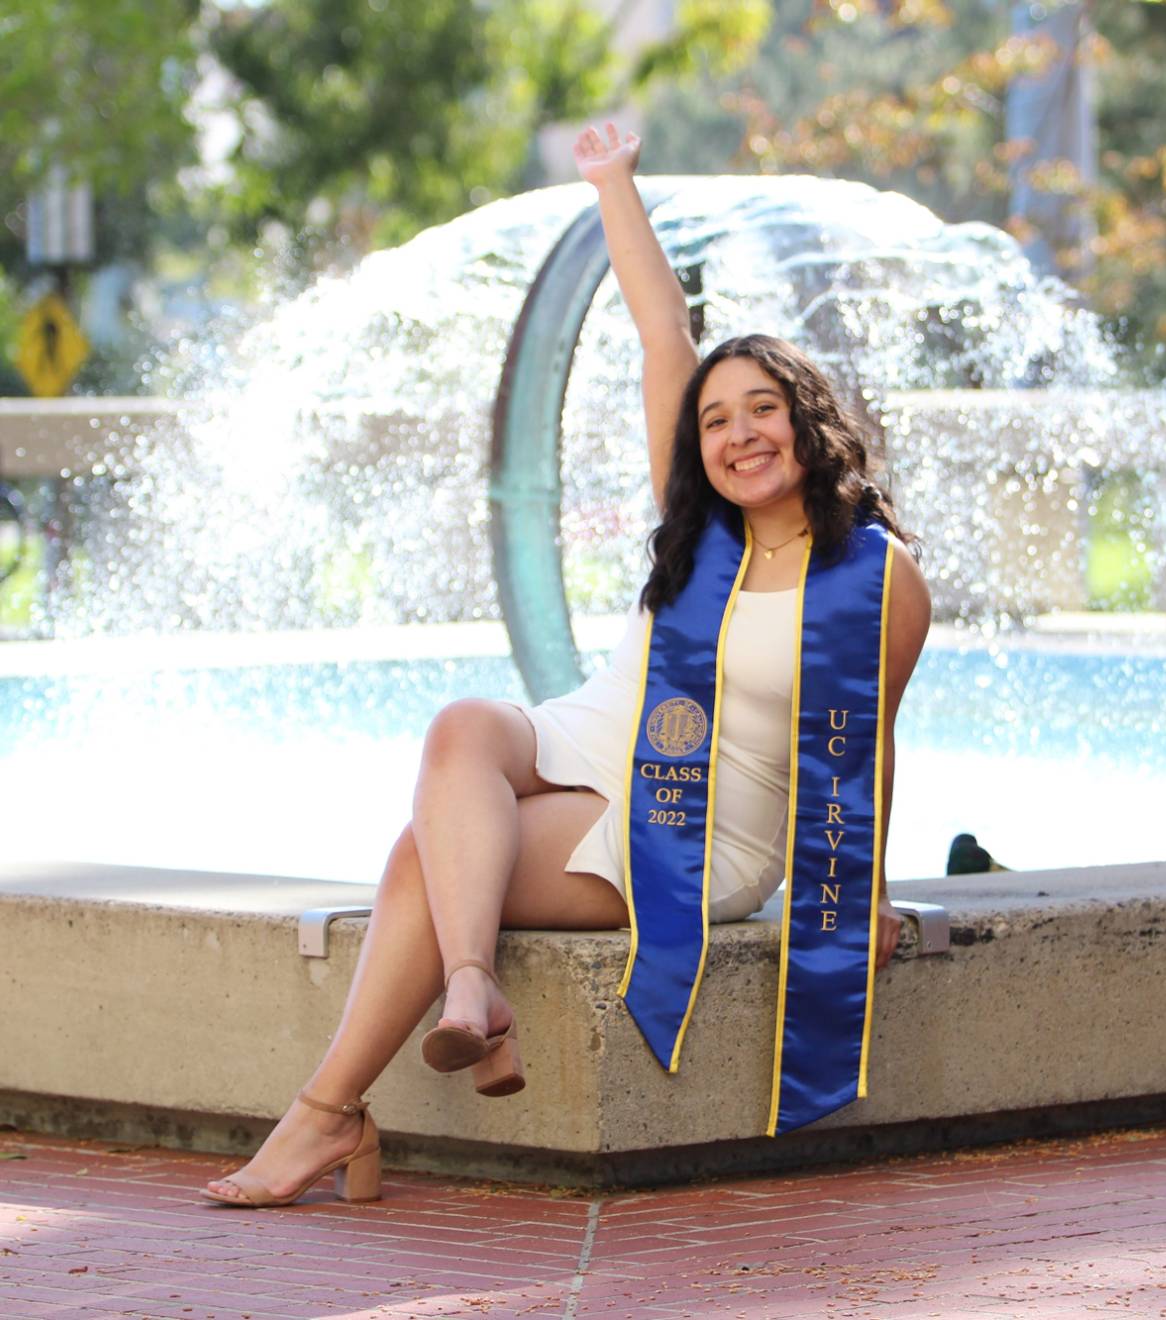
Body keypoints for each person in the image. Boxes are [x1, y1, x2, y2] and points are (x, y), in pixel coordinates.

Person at [201, 122, 930, 1207]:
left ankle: (337, 1109)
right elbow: (659, 332)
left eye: (761, 411)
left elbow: (866, 743)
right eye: (718, 421)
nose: (735, 436)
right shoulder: (705, 527)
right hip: (601, 735)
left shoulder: (872, 575)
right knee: (461, 729)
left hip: (707, 817)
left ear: (806, 420)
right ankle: (465, 993)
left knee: (424, 855)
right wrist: (612, 183)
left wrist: (857, 898)